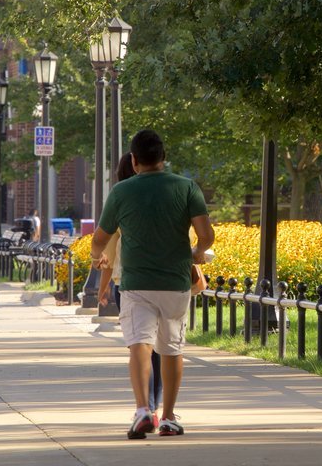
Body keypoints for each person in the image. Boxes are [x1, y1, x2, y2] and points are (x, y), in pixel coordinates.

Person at [91, 129, 214, 439]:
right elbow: (206, 235)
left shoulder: (121, 192)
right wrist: (198, 253)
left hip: (136, 282)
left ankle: (144, 410)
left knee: (139, 345)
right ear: (163, 157)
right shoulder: (186, 187)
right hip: (175, 281)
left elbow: (100, 238)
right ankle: (170, 416)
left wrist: (97, 257)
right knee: (172, 348)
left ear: (134, 161)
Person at [97, 153, 163, 418]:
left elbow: (107, 254)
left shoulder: (120, 200)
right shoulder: (161, 195)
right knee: (161, 348)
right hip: (166, 280)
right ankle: (157, 405)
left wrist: (101, 289)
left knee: (139, 345)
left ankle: (145, 405)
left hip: (128, 282)